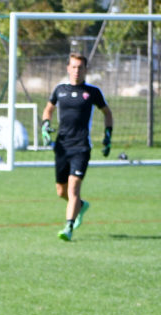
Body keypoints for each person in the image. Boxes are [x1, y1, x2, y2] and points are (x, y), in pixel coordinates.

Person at [40, 53, 114, 242]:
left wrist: (108, 136)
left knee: (73, 189)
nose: (76, 71)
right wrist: (45, 125)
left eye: (80, 67)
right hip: (62, 147)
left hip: (81, 147)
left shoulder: (92, 92)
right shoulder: (60, 90)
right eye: (73, 67)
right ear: (68, 68)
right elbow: (48, 109)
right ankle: (81, 205)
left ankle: (68, 227)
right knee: (61, 191)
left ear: (86, 70)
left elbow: (107, 113)